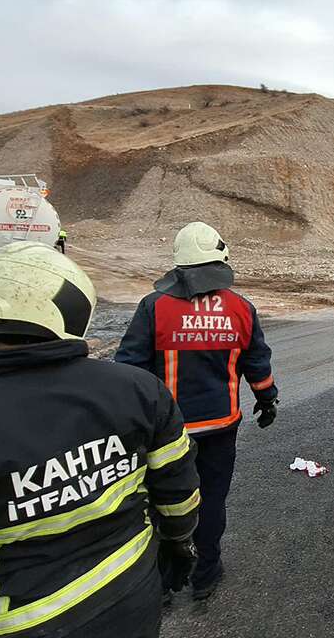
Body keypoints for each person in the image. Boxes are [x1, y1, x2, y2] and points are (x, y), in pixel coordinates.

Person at [0, 242, 201, 638]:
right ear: (73, 306)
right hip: (132, 598)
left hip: (21, 624)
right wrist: (180, 542)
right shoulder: (137, 390)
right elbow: (177, 489)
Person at [115, 221, 278, 602]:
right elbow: (257, 363)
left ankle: (164, 580)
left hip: (166, 433)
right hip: (221, 426)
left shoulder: (154, 307)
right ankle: (205, 574)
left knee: (161, 503)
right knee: (211, 500)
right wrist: (267, 399)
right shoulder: (241, 308)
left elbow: (130, 368)